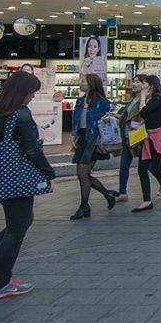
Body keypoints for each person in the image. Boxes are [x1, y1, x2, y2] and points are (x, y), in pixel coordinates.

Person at [0, 70, 56, 300]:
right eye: (31, 93)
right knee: (18, 227)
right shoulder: (20, 114)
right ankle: (1, 282)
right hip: (15, 176)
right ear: (22, 92)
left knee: (17, 223)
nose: (32, 97)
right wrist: (48, 172)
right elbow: (31, 148)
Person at [128, 74, 161, 211]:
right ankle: (146, 201)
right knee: (142, 169)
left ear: (151, 85)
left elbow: (144, 111)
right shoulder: (148, 98)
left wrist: (142, 96)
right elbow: (142, 116)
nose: (142, 85)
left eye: (144, 83)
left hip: (157, 137)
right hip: (147, 137)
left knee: (155, 168)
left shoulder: (157, 99)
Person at [69, 74, 117, 220]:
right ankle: (106, 193)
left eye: (84, 81)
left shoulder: (102, 103)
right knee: (82, 174)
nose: (81, 83)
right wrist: (73, 137)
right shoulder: (79, 101)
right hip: (82, 138)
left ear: (91, 84)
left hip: (93, 139)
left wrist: (101, 135)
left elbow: (103, 122)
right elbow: (75, 120)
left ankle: (84, 206)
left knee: (83, 174)